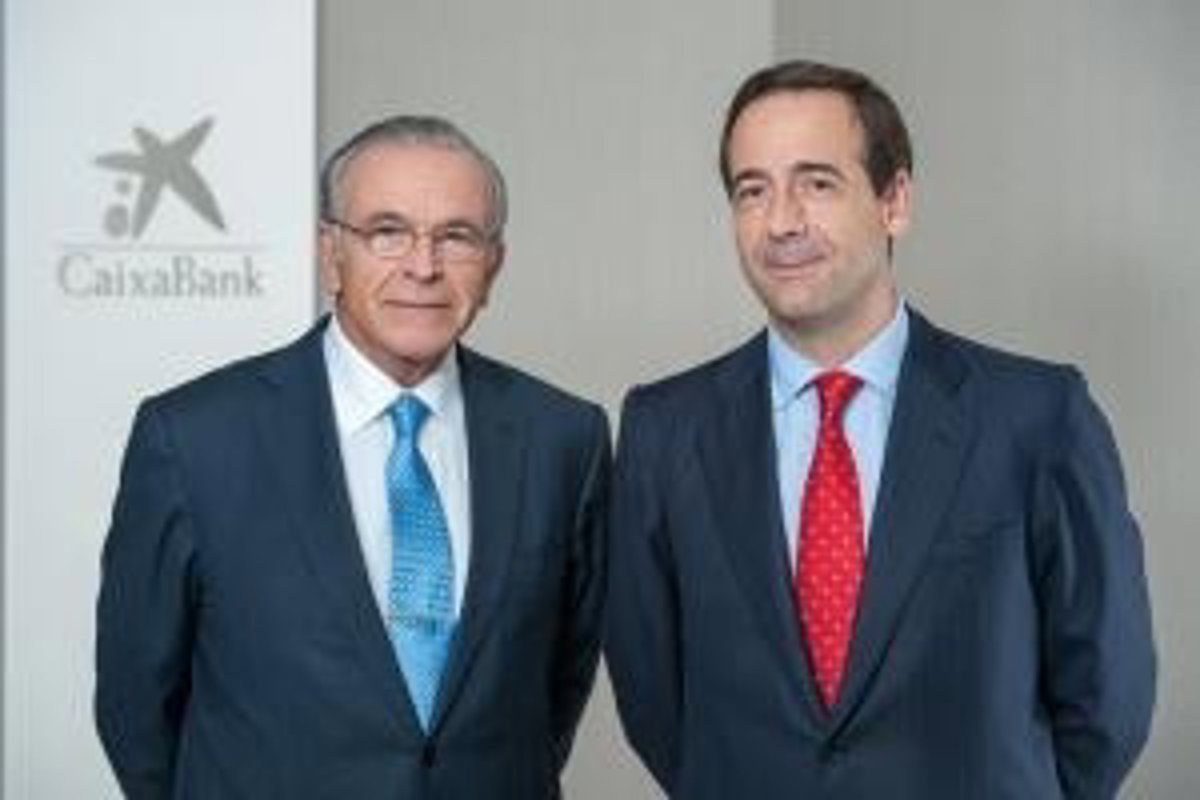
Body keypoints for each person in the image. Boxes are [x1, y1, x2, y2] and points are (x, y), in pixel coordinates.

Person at [606, 60, 1155, 799]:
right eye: (752, 190)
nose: (781, 222)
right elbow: (653, 696)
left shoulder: (1036, 416)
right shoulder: (665, 431)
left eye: (817, 184)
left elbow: (1109, 691)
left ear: (894, 201)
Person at [95, 115, 610, 799]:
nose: (422, 267)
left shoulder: (564, 439)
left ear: (494, 264)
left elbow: (556, 686)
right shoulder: (193, 439)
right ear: (330, 254)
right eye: (387, 232)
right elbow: (136, 706)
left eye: (457, 236)